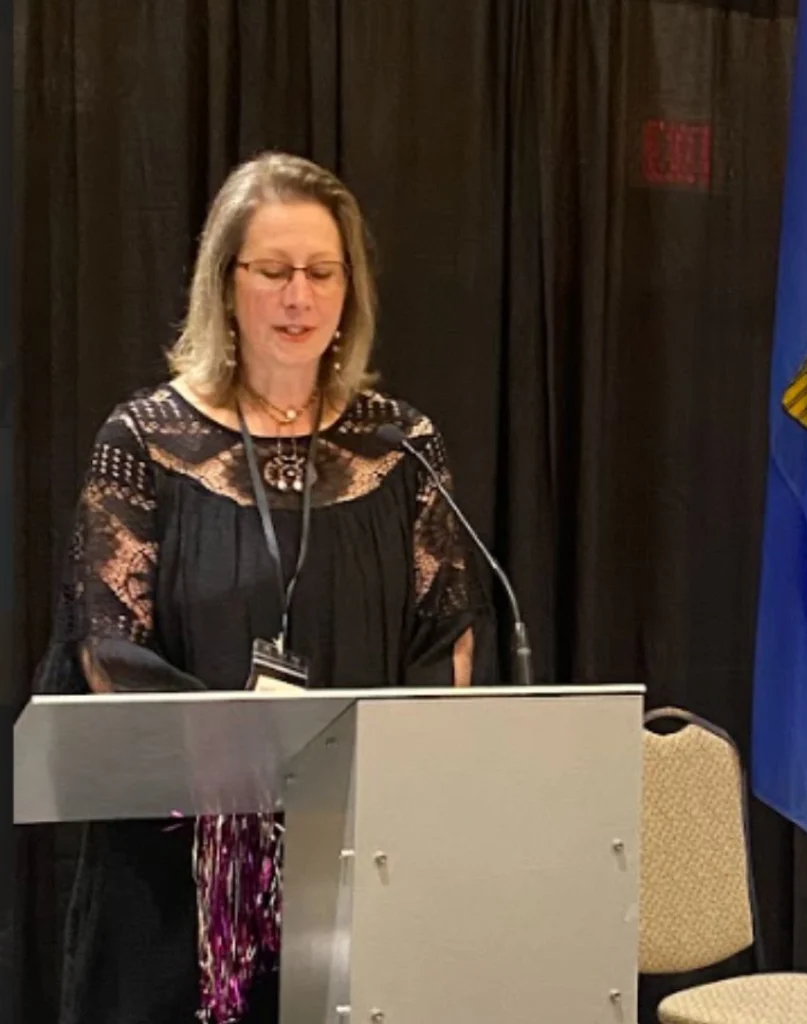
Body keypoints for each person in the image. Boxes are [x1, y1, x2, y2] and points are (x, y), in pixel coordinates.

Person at [33, 151, 497, 1023]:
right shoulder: (143, 441)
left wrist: (371, 777)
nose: (299, 297)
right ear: (225, 284)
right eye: (273, 271)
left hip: (359, 856)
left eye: (322, 273)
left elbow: (449, 634)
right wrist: (253, 772)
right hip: (176, 879)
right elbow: (108, 647)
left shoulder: (400, 445)